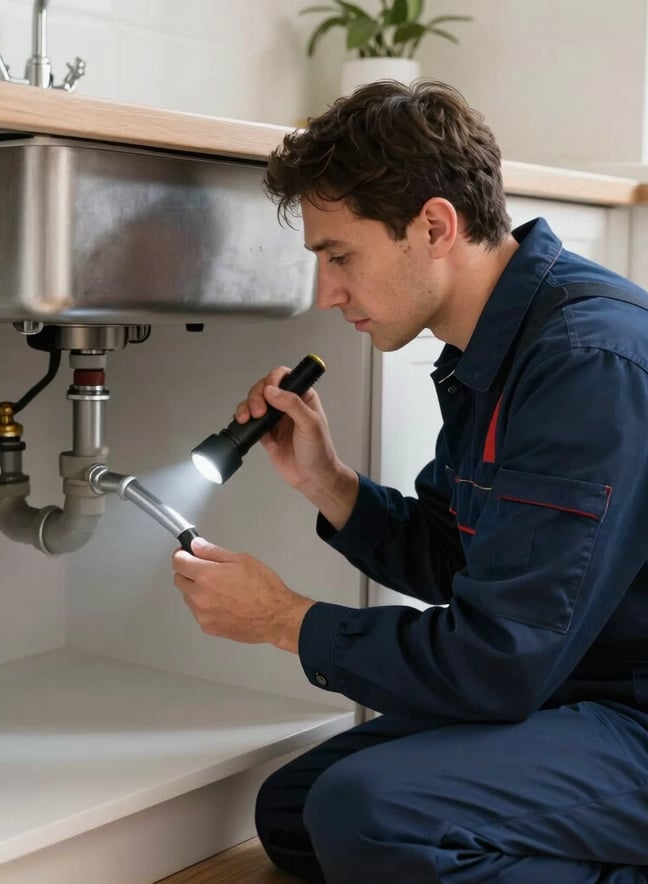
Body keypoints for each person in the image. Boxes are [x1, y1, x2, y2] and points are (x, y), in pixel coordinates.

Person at [171, 79, 648, 883]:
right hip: (569, 681)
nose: (326, 293)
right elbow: (462, 563)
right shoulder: (495, 348)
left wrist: (284, 619)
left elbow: (499, 661)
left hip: (626, 710)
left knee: (369, 813)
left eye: (340, 255)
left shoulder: (582, 363)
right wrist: (332, 484)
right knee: (295, 811)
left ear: (433, 225)